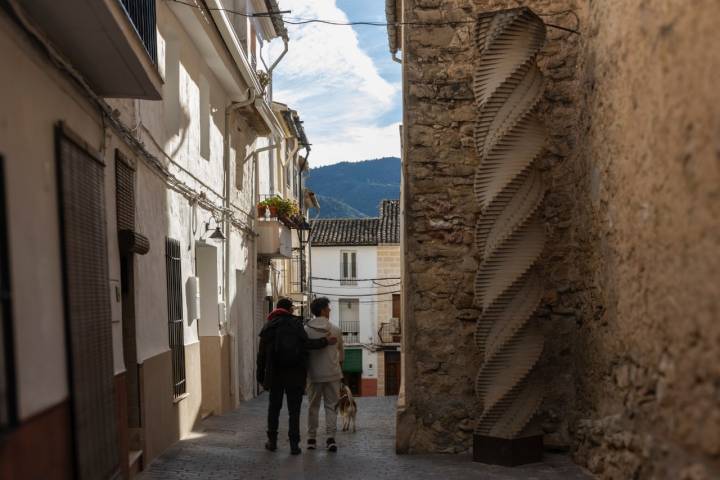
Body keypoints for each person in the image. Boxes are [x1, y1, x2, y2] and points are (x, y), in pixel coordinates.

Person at [257, 297, 337, 455]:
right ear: (290, 310)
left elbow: (261, 356)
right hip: (295, 374)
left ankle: (272, 442)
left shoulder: (268, 326)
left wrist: (261, 376)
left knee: (274, 408)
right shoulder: (296, 325)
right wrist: (325, 341)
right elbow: (307, 345)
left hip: (275, 375)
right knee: (294, 411)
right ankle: (294, 445)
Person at [305, 297, 344, 452]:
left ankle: (311, 439)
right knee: (331, 407)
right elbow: (341, 354)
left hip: (313, 375)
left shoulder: (306, 330)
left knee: (312, 407)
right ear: (322, 310)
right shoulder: (335, 330)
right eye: (328, 308)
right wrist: (339, 367)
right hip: (332, 374)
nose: (330, 310)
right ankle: (330, 438)